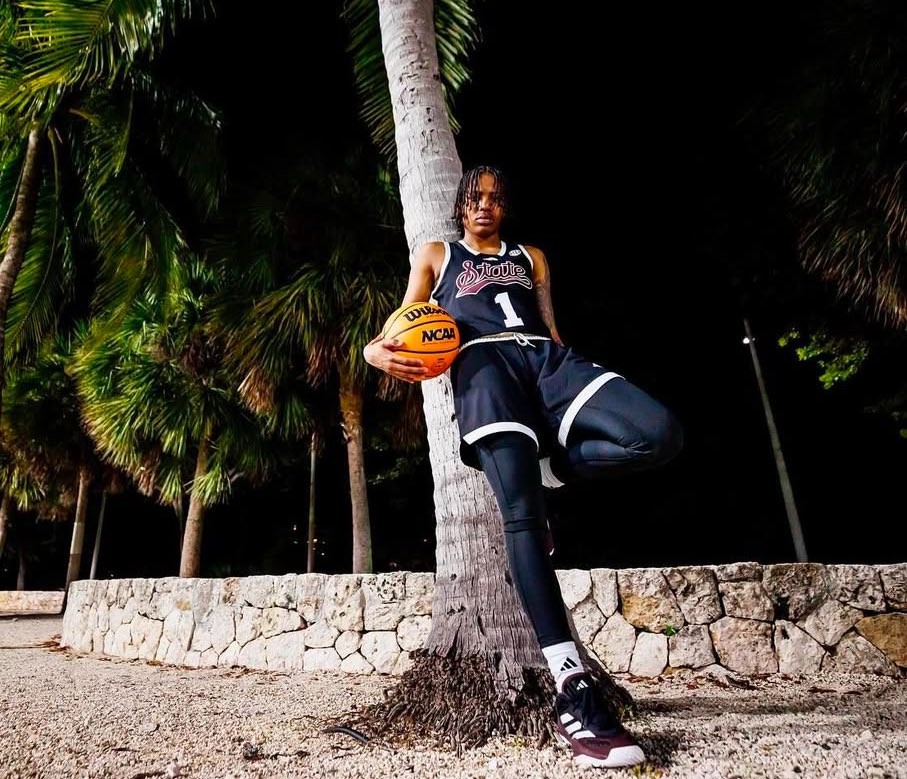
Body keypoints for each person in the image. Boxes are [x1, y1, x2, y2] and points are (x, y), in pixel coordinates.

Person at [363, 165, 683, 769]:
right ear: (461, 206)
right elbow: (397, 330)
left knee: (657, 434)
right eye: (474, 197)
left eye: (495, 198)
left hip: (548, 363)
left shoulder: (531, 257)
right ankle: (573, 690)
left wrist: (560, 355)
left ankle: (552, 470)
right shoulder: (437, 255)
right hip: (485, 373)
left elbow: (551, 326)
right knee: (523, 521)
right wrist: (373, 351)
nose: (484, 206)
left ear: (505, 207)